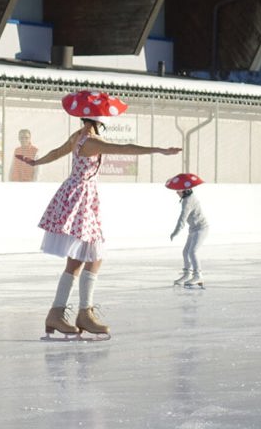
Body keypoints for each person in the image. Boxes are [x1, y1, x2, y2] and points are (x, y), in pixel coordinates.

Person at [18, 90, 181, 339]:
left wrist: (36, 163)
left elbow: (56, 152)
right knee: (88, 256)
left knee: (85, 257)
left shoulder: (78, 137)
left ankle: (66, 313)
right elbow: (126, 148)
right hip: (81, 199)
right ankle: (76, 313)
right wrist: (159, 150)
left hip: (77, 196)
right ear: (100, 122)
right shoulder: (92, 142)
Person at [167, 173, 209, 288]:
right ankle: (187, 274)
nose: (176, 192)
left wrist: (176, 232)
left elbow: (182, 218)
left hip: (201, 228)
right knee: (186, 252)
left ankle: (198, 275)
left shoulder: (188, 201)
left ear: (184, 191)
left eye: (178, 190)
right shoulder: (187, 198)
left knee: (192, 252)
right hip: (194, 229)